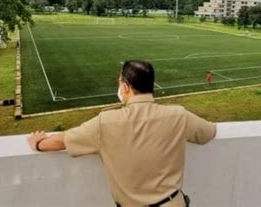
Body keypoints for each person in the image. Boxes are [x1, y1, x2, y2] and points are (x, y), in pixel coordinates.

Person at [28, 60, 216, 206]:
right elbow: (208, 132)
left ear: (125, 87)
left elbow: (63, 141)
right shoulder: (178, 115)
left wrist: (38, 143)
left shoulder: (105, 122)